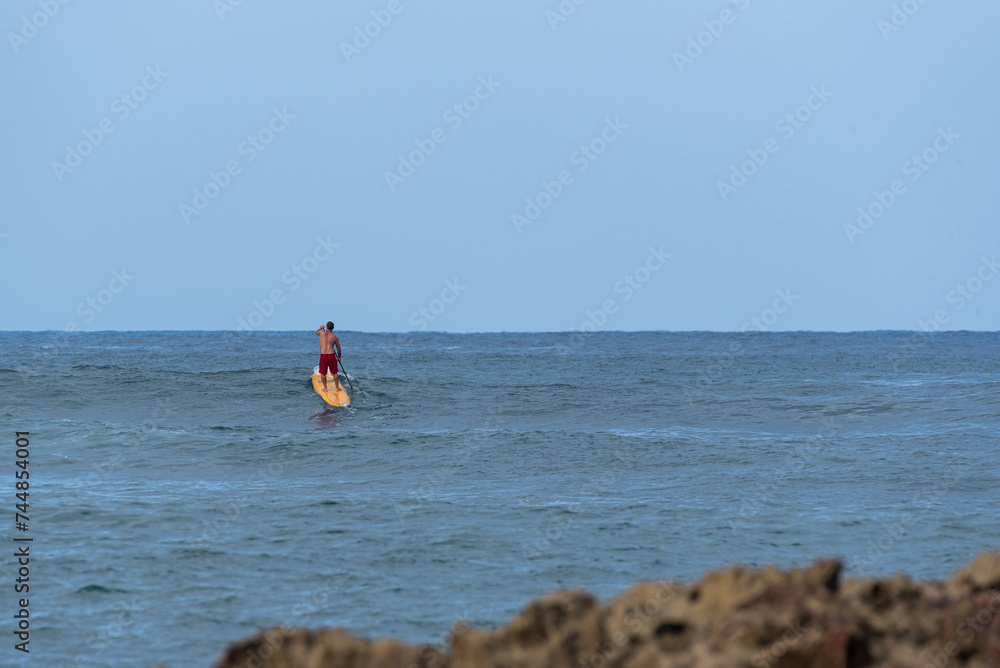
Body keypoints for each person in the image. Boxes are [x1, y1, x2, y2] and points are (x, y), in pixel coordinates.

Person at [316, 321, 342, 393]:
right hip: (331, 355)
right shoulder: (335, 337)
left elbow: (316, 332)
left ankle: (325, 388)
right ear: (333, 328)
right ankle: (337, 387)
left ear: (326, 327)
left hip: (323, 355)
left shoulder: (321, 332)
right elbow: (338, 349)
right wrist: (339, 357)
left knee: (323, 373)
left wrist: (320, 328)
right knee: (335, 372)